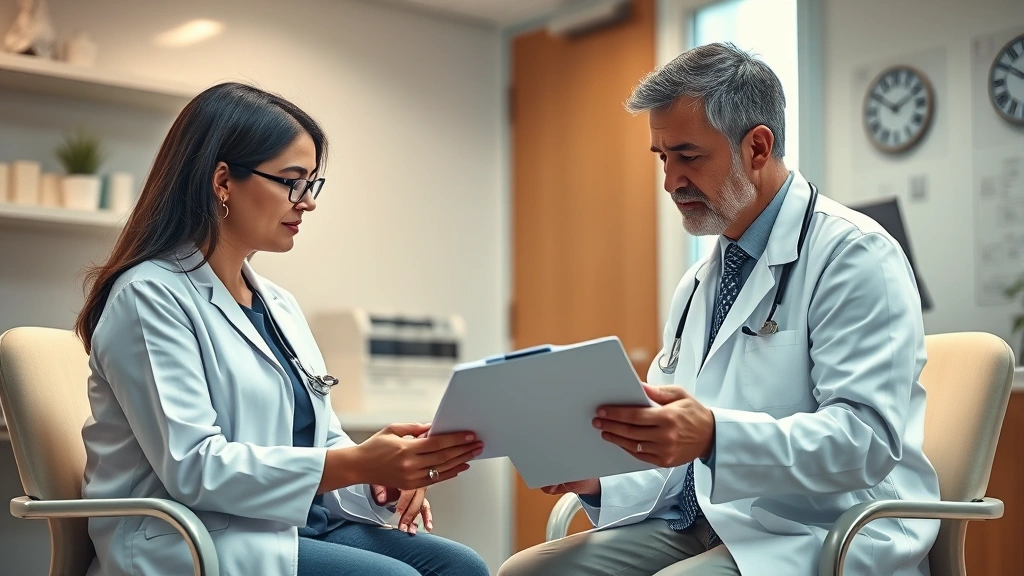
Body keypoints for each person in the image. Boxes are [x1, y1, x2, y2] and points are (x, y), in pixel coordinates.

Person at [499, 42, 940, 576]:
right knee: (528, 572)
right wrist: (597, 481)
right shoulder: (698, 284)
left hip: (821, 528)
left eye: (688, 156)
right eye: (662, 158)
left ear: (757, 147)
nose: (670, 182)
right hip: (709, 521)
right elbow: (674, 450)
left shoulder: (855, 255)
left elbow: (864, 442)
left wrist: (713, 435)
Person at [76, 82, 490, 576]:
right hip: (196, 539)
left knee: (462, 566)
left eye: (311, 184)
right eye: (292, 181)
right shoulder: (149, 296)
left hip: (289, 527)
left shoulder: (278, 304)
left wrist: (377, 474)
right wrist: (360, 463)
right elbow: (195, 467)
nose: (307, 202)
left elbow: (319, 442)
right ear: (223, 181)